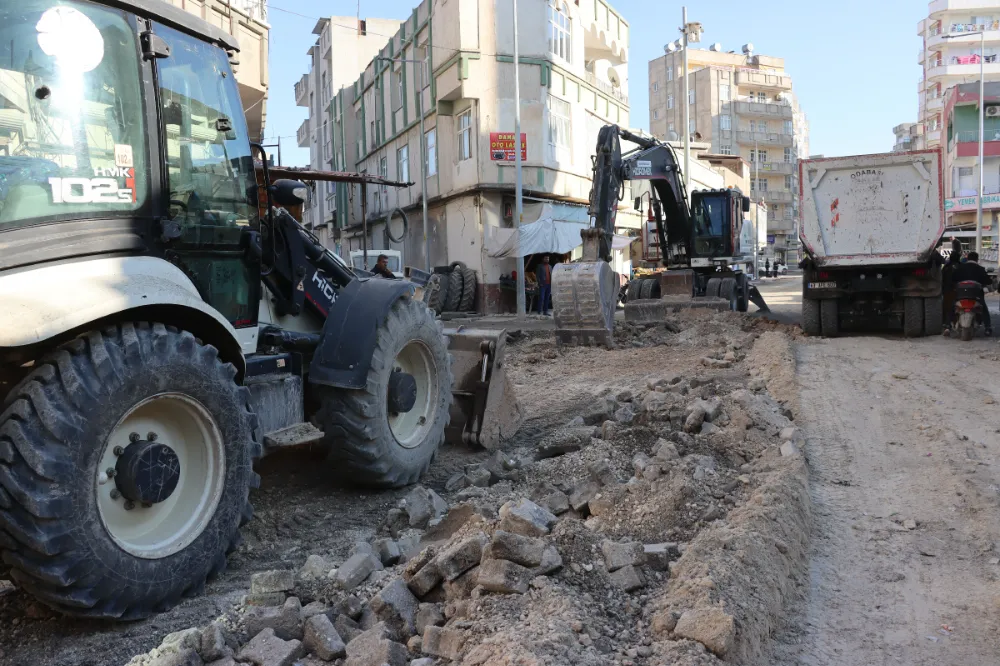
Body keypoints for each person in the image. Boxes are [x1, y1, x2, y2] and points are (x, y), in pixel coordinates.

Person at [952, 250, 993, 335]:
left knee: (953, 307)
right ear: (977, 259)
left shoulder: (960, 268)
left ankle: (948, 326)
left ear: (967, 258)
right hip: (976, 296)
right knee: (983, 308)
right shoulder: (980, 269)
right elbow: (988, 281)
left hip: (961, 295)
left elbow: (953, 279)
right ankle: (987, 328)